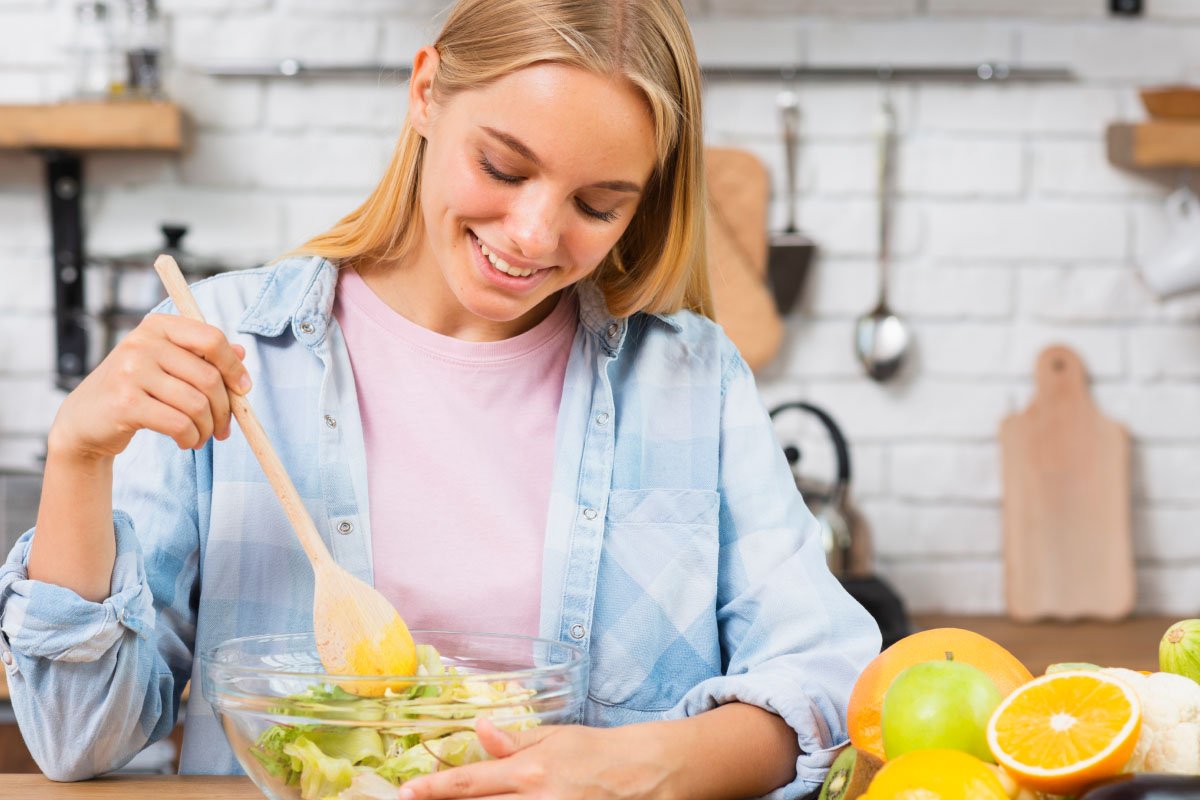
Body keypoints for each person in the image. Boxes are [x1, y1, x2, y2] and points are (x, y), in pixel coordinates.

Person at [1, 0, 880, 797]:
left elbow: (824, 681)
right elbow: (78, 739)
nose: (534, 234)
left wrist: (643, 766)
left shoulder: (690, 381)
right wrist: (78, 456)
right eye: (503, 167)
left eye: (599, 204)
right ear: (426, 93)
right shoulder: (232, 344)